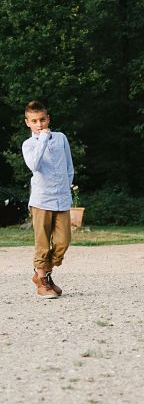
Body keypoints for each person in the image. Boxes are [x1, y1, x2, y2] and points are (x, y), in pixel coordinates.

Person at [22, 100, 74, 298]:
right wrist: (42, 139)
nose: (39, 124)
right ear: (28, 122)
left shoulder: (61, 138)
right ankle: (43, 281)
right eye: (34, 121)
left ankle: (41, 273)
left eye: (42, 120)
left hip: (61, 198)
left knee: (63, 243)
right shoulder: (28, 144)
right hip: (41, 200)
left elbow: (69, 166)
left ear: (48, 118)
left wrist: (67, 187)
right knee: (42, 243)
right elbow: (34, 165)